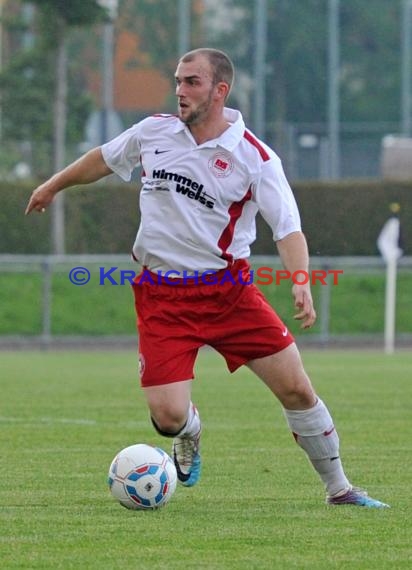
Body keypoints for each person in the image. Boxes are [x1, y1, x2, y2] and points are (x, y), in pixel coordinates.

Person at [26, 47, 389, 508]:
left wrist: (300, 279)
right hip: (162, 296)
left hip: (228, 294)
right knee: (167, 417)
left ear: (220, 90)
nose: (180, 90)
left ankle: (340, 490)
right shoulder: (154, 132)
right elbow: (102, 158)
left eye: (191, 82)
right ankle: (190, 431)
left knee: (297, 388)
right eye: (178, 80)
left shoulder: (254, 157)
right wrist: (53, 184)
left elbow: (288, 227)